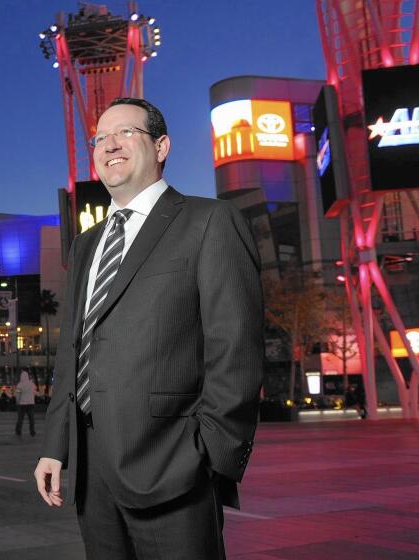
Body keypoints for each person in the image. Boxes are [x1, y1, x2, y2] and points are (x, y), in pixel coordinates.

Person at [34, 98, 264, 560]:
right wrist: (56, 445)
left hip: (172, 462)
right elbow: (73, 350)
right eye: (100, 138)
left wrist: (208, 451)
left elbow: (235, 345)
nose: (109, 145)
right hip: (90, 466)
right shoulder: (85, 245)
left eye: (125, 133)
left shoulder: (208, 221)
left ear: (161, 146)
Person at [15, 370, 36, 437]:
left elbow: (18, 395)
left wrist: (17, 402)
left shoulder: (19, 385)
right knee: (31, 419)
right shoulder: (32, 384)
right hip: (31, 404)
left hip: (22, 404)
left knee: (20, 419)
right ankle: (32, 431)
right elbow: (34, 393)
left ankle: (18, 431)